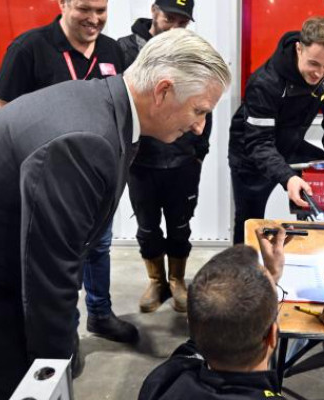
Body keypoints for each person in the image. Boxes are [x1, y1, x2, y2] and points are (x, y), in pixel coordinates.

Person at [0, 29, 230, 400]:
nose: (200, 126)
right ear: (162, 91)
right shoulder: (86, 139)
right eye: (199, 110)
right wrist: (54, 370)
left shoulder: (104, 107)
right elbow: (51, 270)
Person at [0, 0, 137, 345]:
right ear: (63, 4)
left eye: (101, 10)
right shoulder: (29, 48)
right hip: (46, 181)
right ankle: (62, 334)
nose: (94, 19)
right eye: (84, 9)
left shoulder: (112, 51)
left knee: (98, 247)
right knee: (54, 258)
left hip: (97, 176)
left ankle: (100, 314)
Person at [137, 229, 324, 399]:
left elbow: (207, 327)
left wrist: (270, 279)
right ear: (273, 336)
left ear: (192, 324)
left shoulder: (163, 380)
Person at [117, 0, 206, 313]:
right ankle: (156, 281)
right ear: (154, 11)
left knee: (180, 226)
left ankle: (177, 280)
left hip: (183, 161)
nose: (175, 27)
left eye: (183, 22)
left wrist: (199, 152)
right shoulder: (124, 50)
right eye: (170, 18)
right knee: (147, 227)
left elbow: (205, 102)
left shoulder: (193, 53)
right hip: (140, 162)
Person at [228, 16, 324, 244]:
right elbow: (259, 143)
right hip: (252, 153)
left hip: (292, 144)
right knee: (249, 222)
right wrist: (287, 177)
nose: (320, 73)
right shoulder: (265, 83)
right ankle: (243, 264)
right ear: (299, 49)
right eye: (314, 64)